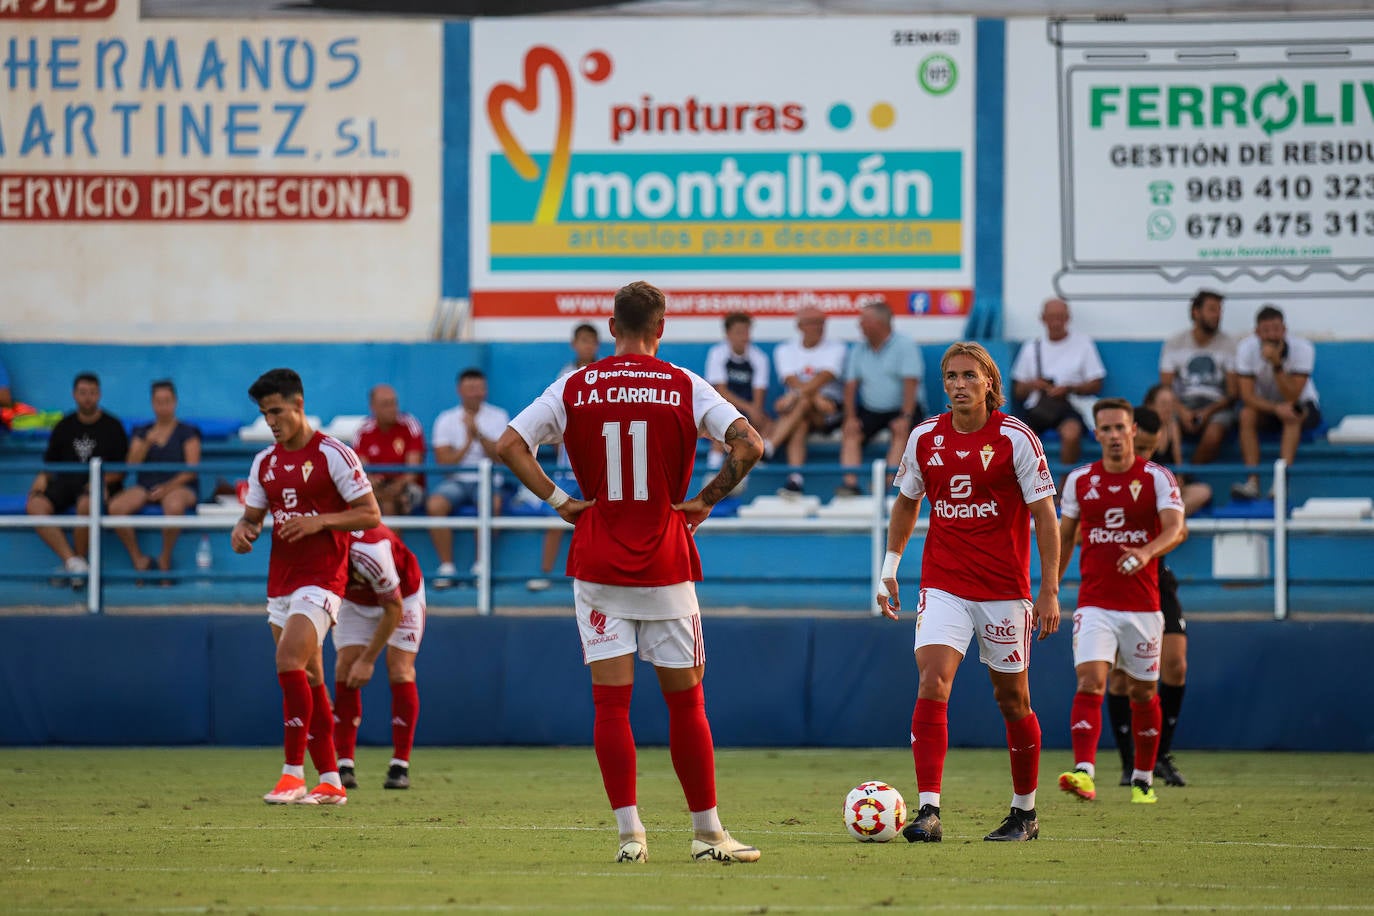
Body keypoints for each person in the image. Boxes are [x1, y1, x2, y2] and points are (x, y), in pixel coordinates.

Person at [496, 280, 765, 865]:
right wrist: (706, 500)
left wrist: (560, 500)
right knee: (686, 705)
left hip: (597, 561)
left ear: (612, 328)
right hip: (666, 563)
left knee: (611, 707)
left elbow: (510, 444)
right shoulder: (685, 384)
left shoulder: (574, 384)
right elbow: (749, 445)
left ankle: (630, 836)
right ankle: (707, 834)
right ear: (661, 329)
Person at [877, 342, 1061, 844]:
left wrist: (1050, 590)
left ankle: (1025, 813)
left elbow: (1046, 515)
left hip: (1005, 590)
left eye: (968, 376)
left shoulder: (1015, 438)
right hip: (944, 584)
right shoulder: (924, 438)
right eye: (951, 376)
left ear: (988, 382)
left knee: (1012, 698)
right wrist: (890, 568)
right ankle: (929, 811)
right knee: (933, 681)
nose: (959, 384)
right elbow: (906, 503)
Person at [230, 368, 381, 806]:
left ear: (298, 405)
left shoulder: (334, 454)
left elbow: (370, 514)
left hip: (323, 578)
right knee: (310, 676)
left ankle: (292, 774)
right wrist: (242, 531)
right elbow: (252, 518)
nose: (271, 421)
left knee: (288, 658)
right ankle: (331, 778)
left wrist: (321, 521)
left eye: (276, 411)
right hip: (282, 580)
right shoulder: (265, 463)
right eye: (263, 414)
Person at [1056, 399, 1185, 806]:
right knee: (1091, 680)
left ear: (1134, 432)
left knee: (1143, 693)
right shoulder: (1079, 480)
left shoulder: (1157, 478)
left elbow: (1176, 529)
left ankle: (1143, 776)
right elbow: (1064, 536)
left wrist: (1146, 552)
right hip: (1094, 602)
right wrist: (1048, 590)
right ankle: (1084, 772)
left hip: (1144, 606)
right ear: (1096, 434)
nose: (1113, 435)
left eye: (1120, 428)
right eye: (1105, 429)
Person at [1105, 405, 1194, 789]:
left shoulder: (1158, 479)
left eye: (1151, 448)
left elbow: (1179, 529)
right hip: (1118, 582)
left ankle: (1160, 755)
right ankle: (1130, 764)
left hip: (1157, 578)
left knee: (1175, 665)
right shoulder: (1103, 478)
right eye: (1140, 445)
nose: (1144, 454)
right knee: (1122, 677)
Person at [332, 523, 425, 791]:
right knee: (345, 670)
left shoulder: (370, 549)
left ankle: (400, 766)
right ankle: (344, 765)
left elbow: (393, 608)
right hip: (353, 601)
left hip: (401, 597)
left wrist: (367, 660)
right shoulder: (315, 547)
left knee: (400, 670)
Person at [26, 372, 128, 580]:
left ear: (99, 394)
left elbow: (120, 471)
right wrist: (42, 478)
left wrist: (100, 482)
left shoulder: (113, 426)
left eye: (92, 393)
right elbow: (49, 463)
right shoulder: (64, 425)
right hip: (66, 483)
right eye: (83, 393)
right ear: (74, 394)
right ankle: (74, 562)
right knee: (34, 505)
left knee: (86, 505)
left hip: (99, 484)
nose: (87, 397)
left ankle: (78, 567)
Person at [528, 323, 600, 592]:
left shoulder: (604, 373)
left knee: (601, 521)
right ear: (574, 344)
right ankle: (545, 572)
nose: (587, 346)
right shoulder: (565, 376)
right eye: (583, 341)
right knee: (555, 518)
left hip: (599, 466)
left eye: (591, 341)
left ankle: (597, 577)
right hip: (568, 468)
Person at [107, 380, 202, 580]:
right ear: (152, 403)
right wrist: (146, 443)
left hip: (180, 486)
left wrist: (167, 488)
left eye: (167, 401)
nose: (163, 406)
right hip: (146, 486)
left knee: (174, 505)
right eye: (159, 401)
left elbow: (191, 470)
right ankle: (138, 560)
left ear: (175, 402)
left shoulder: (188, 432)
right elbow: (131, 465)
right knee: (116, 507)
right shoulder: (142, 432)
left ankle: (164, 559)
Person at [427, 368, 510, 588]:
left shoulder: (498, 416)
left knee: (493, 503)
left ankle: (480, 565)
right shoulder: (446, 419)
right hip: (456, 481)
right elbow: (444, 464)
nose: (475, 393)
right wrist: (466, 442)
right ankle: (447, 567)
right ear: (460, 390)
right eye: (470, 388)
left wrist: (479, 434)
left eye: (479, 388)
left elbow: (502, 457)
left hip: (488, 479)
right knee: (435, 505)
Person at [1232, 304, 1323, 500]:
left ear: (1284, 330)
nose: (1272, 335)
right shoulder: (1245, 349)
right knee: (1246, 414)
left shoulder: (1302, 348)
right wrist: (1275, 408)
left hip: (1302, 404)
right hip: (1267, 407)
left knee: (1293, 413)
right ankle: (1252, 482)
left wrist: (1277, 365)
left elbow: (1293, 396)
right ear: (1257, 332)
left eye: (1276, 329)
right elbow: (1246, 396)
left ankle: (1280, 484)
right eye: (1266, 331)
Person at [837, 300, 924, 496]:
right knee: (851, 432)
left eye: (863, 321)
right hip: (871, 409)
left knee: (901, 432)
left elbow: (911, 383)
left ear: (879, 323)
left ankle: (884, 487)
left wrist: (906, 416)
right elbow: (850, 386)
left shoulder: (905, 345)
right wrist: (849, 418)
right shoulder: (858, 349)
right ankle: (850, 485)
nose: (859, 325)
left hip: (903, 407)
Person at [1010, 298, 1105, 466]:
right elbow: (1018, 390)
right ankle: (1029, 485)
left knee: (1071, 434)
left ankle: (1063, 486)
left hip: (1069, 406)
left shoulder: (1083, 344)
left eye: (1060, 317)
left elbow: (1096, 383)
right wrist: (1034, 385)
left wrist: (1069, 388)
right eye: (1052, 317)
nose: (1056, 322)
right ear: (1043, 318)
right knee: (1021, 437)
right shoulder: (1031, 347)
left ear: (1068, 318)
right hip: (1038, 408)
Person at [770, 306, 847, 498]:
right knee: (800, 421)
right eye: (813, 323)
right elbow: (789, 378)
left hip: (828, 410)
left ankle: (770, 445)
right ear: (800, 326)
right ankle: (795, 481)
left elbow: (825, 376)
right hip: (802, 410)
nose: (818, 327)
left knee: (801, 403)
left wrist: (795, 395)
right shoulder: (785, 348)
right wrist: (809, 396)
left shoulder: (837, 347)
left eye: (821, 322)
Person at [1159, 289, 1238, 465]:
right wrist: (1182, 411)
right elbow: (1165, 388)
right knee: (1163, 426)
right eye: (1212, 309)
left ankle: (1186, 478)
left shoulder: (1229, 344)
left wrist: (1207, 412)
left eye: (1219, 310)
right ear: (1196, 312)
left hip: (1217, 406)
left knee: (1214, 435)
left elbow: (1233, 394)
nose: (1217, 315)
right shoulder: (1175, 343)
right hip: (1182, 403)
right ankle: (1166, 478)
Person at [703, 311, 772, 469]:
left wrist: (754, 412)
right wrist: (748, 410)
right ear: (728, 334)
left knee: (768, 424)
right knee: (723, 423)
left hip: (747, 411)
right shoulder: (717, 354)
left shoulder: (759, 358)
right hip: (721, 408)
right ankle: (712, 470)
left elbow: (758, 398)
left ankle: (754, 463)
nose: (744, 337)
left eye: (747, 331)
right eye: (739, 332)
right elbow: (720, 392)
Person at [353, 384, 426, 517]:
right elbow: (363, 471)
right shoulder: (363, 431)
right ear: (373, 407)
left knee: (392, 502)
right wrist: (374, 482)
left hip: (407, 486)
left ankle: (389, 538)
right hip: (377, 487)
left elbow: (412, 473)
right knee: (364, 498)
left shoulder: (410, 425)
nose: (392, 409)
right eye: (386, 404)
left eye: (394, 403)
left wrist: (397, 486)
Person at [1140, 385, 1213, 515]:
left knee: (1203, 491)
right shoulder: (1141, 431)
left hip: (1168, 490)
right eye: (1163, 404)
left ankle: (1166, 520)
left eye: (1170, 404)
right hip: (1147, 487)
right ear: (1150, 406)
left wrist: (1177, 484)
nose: (1168, 409)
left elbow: (1178, 466)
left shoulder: (1173, 426)